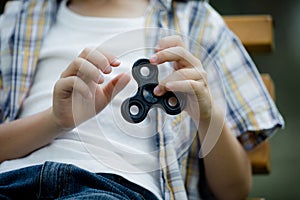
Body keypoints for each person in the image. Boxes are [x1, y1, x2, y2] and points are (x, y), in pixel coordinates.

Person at [0, 0, 284, 199]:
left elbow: (234, 190)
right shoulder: (22, 15)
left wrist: (205, 114)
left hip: (116, 188)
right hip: (11, 180)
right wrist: (57, 120)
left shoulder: (196, 21)